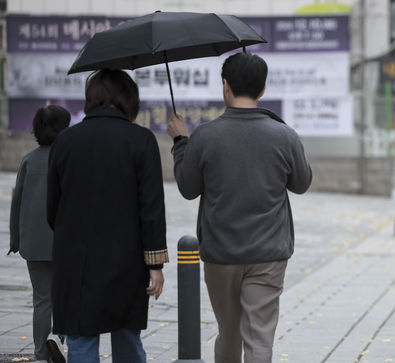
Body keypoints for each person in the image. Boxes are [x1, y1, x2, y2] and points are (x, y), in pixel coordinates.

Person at [167, 52, 312, 363]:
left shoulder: (205, 136)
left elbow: (188, 188)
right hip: (269, 252)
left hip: (221, 252)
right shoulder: (283, 134)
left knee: (228, 332)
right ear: (262, 89)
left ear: (225, 86)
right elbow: (302, 183)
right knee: (260, 337)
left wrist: (181, 143)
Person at [47, 69, 167, 362]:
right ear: (128, 99)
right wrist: (155, 264)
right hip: (125, 263)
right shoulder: (142, 140)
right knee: (127, 337)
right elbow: (151, 209)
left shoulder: (65, 141)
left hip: (75, 262)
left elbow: (53, 210)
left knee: (82, 342)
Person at [9, 105, 70, 363]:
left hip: (33, 244)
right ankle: (58, 336)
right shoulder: (69, 159)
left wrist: (15, 239)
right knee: (66, 296)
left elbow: (17, 203)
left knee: (42, 299)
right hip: (64, 242)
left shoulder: (28, 160)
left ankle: (41, 354)